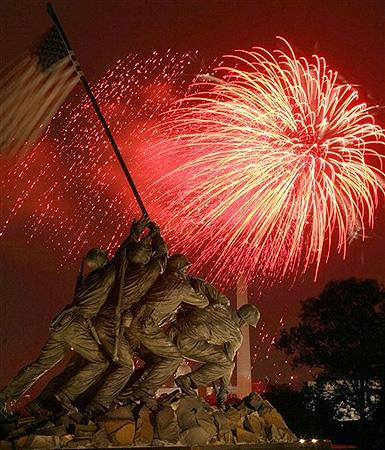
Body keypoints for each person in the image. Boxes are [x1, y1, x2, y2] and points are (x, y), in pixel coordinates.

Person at [0, 218, 146, 417]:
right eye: (106, 257)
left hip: (61, 324)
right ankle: (66, 395)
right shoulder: (105, 276)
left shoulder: (88, 279)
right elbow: (121, 257)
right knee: (101, 362)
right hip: (75, 326)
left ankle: (4, 398)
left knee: (39, 366)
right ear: (102, 261)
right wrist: (134, 233)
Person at [85, 222, 167, 414]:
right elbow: (162, 258)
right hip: (110, 325)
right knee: (126, 366)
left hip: (103, 322)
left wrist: (135, 234)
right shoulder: (143, 275)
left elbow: (122, 252)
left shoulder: (121, 268)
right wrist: (156, 236)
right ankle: (97, 405)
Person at [119, 254, 209, 405]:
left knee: (156, 360)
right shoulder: (181, 286)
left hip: (132, 321)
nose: (187, 272)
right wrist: (195, 285)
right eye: (185, 269)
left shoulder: (161, 279)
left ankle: (123, 396)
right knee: (174, 358)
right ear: (179, 270)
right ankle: (142, 394)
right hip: (145, 325)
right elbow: (203, 302)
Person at [171, 303, 260, 407]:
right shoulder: (236, 335)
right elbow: (227, 365)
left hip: (173, 329)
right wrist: (223, 391)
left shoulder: (220, 306)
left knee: (218, 357)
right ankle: (186, 381)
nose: (245, 326)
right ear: (244, 321)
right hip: (185, 342)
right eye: (247, 324)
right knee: (227, 364)